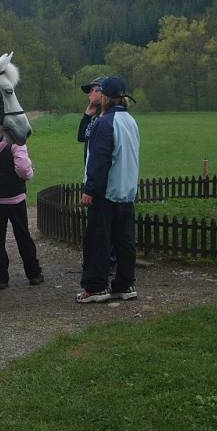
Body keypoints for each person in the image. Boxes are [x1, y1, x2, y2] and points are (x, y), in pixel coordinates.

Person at [76, 76, 140, 304]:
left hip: (106, 192)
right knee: (124, 241)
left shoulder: (105, 123)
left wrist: (90, 189)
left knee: (98, 240)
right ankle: (125, 284)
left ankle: (95, 287)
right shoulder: (130, 121)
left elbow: (99, 160)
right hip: (126, 191)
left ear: (105, 96)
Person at [0, 128, 43, 289]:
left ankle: (1, 277)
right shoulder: (15, 141)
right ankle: (33, 273)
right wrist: (30, 173)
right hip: (14, 198)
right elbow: (22, 168)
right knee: (22, 235)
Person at [77, 76, 106, 163]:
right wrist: (87, 115)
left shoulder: (105, 117)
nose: (89, 94)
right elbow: (82, 137)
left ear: (102, 93)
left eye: (91, 90)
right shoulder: (97, 116)